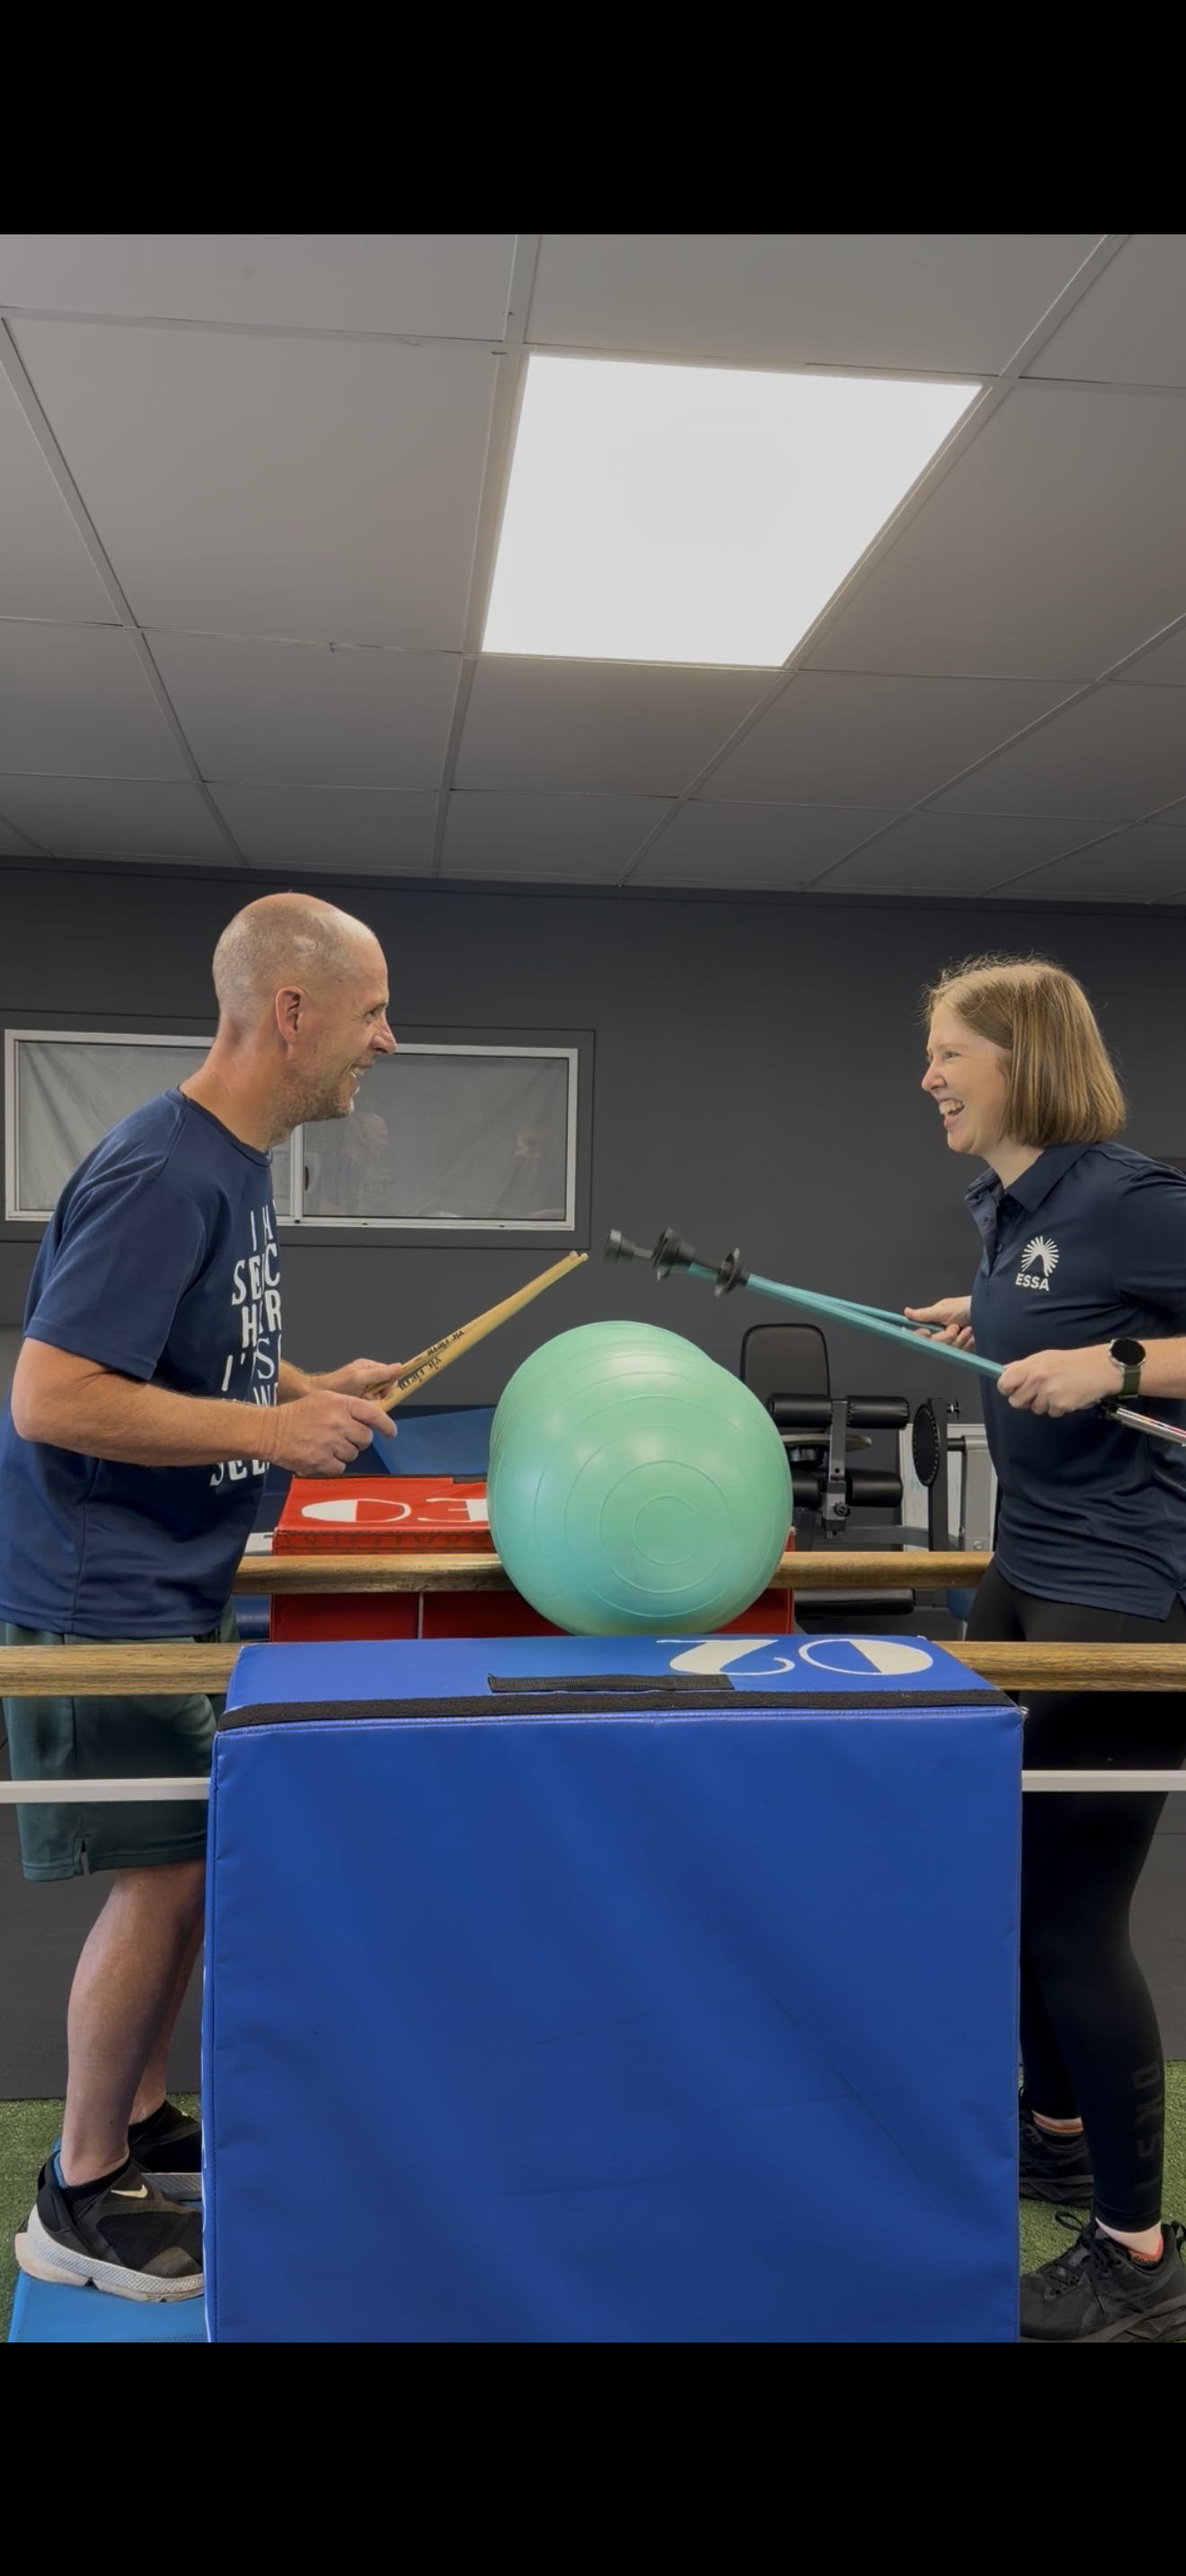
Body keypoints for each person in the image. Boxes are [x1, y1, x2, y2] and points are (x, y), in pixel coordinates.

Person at [2, 892, 402, 2303]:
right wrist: (272, 1438)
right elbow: (51, 1391)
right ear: (290, 1013)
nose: (386, 1042)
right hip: (97, 1590)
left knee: (184, 1876)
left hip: (167, 1581)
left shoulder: (233, 1164)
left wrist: (302, 1387)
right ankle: (80, 2190)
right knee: (167, 1883)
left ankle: (139, 2114)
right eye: (371, 1016)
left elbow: (187, 1353)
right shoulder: (165, 1169)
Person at [907, 953, 1186, 2345]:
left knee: (1077, 1921)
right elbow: (1056, 1304)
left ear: (1020, 1057)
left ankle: (1140, 2259)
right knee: (1012, 1885)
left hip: (1126, 1601)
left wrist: (1121, 1370)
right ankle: (1057, 2134)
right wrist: (992, 1318)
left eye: (950, 1050)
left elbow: (1127, 1339)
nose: (929, 1076)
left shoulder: (1130, 1197)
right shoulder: (1010, 1206)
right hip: (1026, 1576)